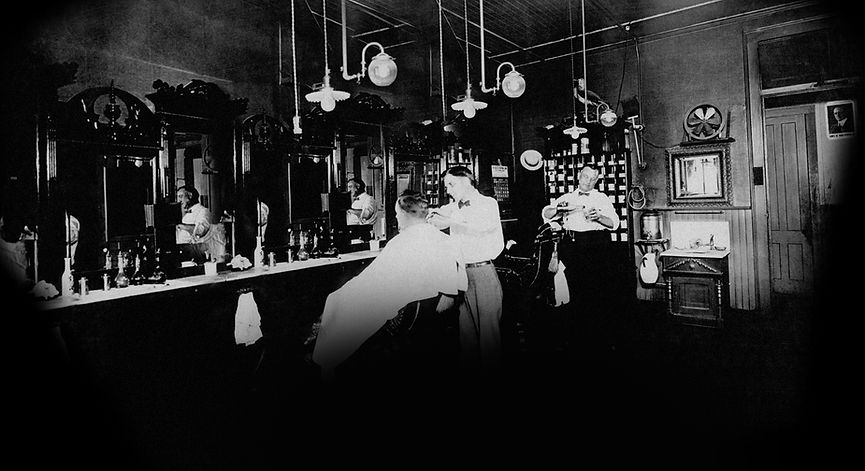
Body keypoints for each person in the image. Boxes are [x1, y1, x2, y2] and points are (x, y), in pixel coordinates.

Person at [312, 191, 466, 380]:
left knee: (337, 302)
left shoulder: (402, 242)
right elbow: (451, 289)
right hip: (424, 312)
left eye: (396, 214)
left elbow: (376, 281)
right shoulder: (445, 240)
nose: (396, 218)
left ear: (403, 214)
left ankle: (327, 368)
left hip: (402, 313)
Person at [427, 165, 504, 374]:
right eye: (446, 186)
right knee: (466, 334)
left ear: (465, 181)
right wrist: (431, 216)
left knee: (489, 336)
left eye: (451, 184)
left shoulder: (488, 204)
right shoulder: (453, 207)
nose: (448, 190)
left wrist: (449, 219)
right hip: (461, 275)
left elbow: (481, 224)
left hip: (483, 273)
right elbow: (433, 217)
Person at [541, 165, 619, 350]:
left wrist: (599, 217)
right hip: (572, 246)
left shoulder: (602, 198)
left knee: (596, 291)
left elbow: (614, 223)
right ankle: (576, 336)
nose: (588, 181)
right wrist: (560, 209)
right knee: (573, 289)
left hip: (596, 246)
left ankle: (597, 337)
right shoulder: (567, 197)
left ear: (597, 180)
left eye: (593, 179)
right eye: (585, 177)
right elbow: (546, 214)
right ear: (579, 175)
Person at [175, 185, 226, 263]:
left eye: (181, 196)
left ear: (190, 196)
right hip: (185, 254)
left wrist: (181, 226)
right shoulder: (187, 215)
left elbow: (201, 230)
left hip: (198, 256)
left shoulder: (203, 211)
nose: (179, 200)